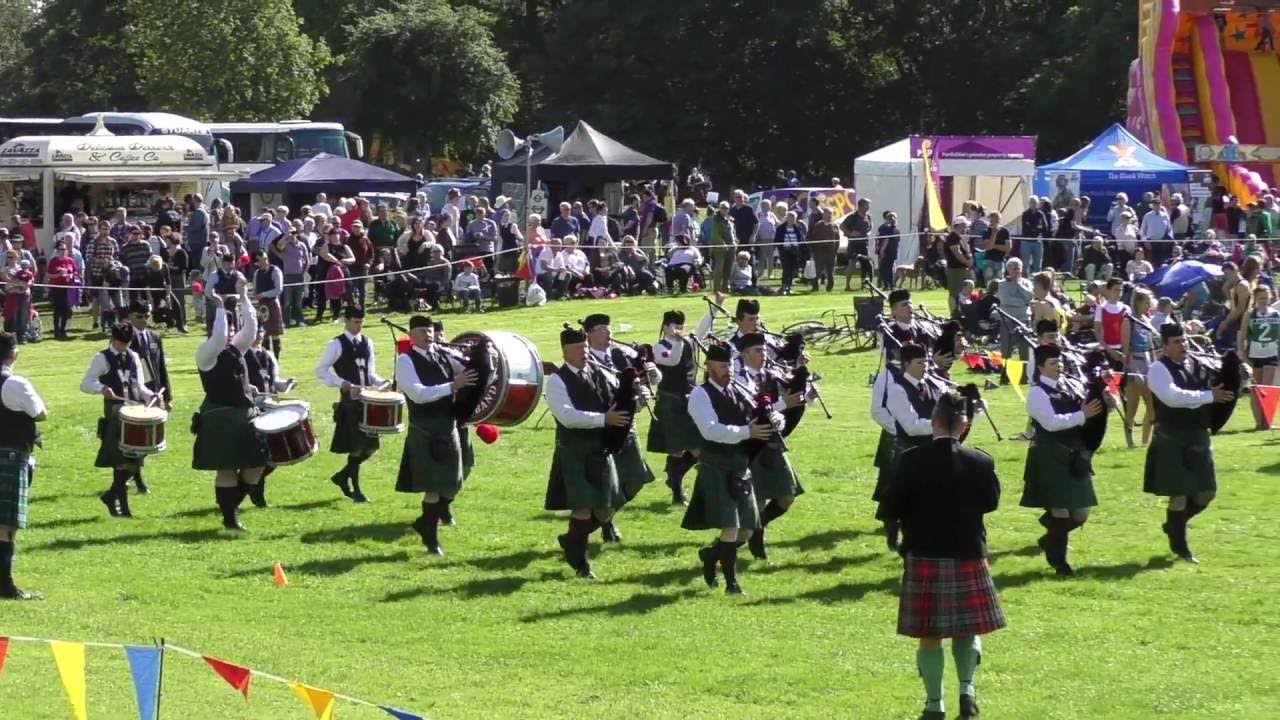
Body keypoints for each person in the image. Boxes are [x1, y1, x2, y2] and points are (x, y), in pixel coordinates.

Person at [880, 390, 1004, 720]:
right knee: (967, 630)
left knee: (930, 636)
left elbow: (891, 506)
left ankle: (935, 706)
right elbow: (991, 503)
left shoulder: (909, 460)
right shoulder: (981, 461)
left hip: (924, 554)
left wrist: (894, 532)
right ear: (964, 425)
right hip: (968, 551)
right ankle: (967, 692)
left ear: (933, 422)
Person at [681, 340, 773, 596]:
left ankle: (711, 555)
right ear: (709, 366)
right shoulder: (700, 395)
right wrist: (748, 431)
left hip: (741, 465)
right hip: (717, 465)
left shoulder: (740, 388)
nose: (728, 370)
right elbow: (711, 430)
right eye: (722, 365)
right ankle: (732, 584)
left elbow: (757, 411)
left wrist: (773, 416)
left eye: (730, 365)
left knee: (747, 528)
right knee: (730, 528)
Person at [1145, 322, 1236, 563]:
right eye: (1176, 341)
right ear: (1164, 346)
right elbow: (1172, 397)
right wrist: (1209, 396)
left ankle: (1173, 526)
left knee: (1206, 493)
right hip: (1172, 435)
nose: (1183, 344)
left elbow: (1218, 382)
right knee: (1179, 495)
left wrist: (1237, 371)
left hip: (1197, 434)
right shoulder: (1157, 369)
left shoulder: (1196, 362)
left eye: (1184, 340)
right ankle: (1180, 547)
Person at [545, 325, 629, 580]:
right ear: (565, 351)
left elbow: (612, 396)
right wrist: (604, 419)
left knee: (606, 509)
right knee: (582, 508)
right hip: (575, 451)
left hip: (600, 450)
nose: (585, 352)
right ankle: (582, 565)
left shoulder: (596, 371)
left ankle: (572, 539)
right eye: (579, 348)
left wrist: (630, 389)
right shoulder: (558, 381)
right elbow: (568, 417)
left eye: (585, 347)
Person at [1022, 344, 1113, 576]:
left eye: (1060, 362)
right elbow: (1051, 422)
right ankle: (1060, 564)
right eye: (1053, 363)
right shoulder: (1037, 393)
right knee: (1061, 512)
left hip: (1075, 454)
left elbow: (1093, 408)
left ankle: (1051, 538)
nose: (1059, 366)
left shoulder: (1072, 384)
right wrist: (1082, 415)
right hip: (1050, 454)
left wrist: (1106, 403)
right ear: (1040, 367)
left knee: (1080, 514)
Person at [395, 315, 476, 556]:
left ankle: (424, 523)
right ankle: (431, 538)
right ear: (411, 335)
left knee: (453, 484)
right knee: (433, 488)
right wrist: (453, 385)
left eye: (430, 331)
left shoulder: (443, 354)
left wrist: (478, 357)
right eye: (421, 331)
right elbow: (419, 394)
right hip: (425, 428)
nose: (427, 335)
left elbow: (470, 371)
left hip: (448, 426)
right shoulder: (405, 361)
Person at [192, 284, 264, 531]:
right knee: (227, 470)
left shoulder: (235, 350)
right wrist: (220, 307)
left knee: (257, 465)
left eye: (233, 328)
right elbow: (220, 336)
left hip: (244, 416)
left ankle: (230, 509)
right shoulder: (205, 355)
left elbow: (251, 328)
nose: (232, 333)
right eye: (226, 327)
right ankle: (230, 518)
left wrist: (244, 298)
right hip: (219, 417)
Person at [582, 314, 658, 541]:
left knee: (636, 480)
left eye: (609, 329)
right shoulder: (586, 364)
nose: (609, 333)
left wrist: (651, 379)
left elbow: (645, 380)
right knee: (607, 485)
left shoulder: (619, 355)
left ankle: (601, 520)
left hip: (628, 429)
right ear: (589, 335)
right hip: (604, 430)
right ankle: (604, 525)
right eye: (602, 329)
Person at [734, 333, 803, 560]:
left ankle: (755, 529)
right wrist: (783, 404)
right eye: (758, 351)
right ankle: (736, 547)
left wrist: (805, 396)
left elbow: (782, 409)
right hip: (753, 444)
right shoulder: (740, 381)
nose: (764, 355)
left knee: (786, 496)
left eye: (764, 350)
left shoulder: (771, 375)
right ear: (744, 355)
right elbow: (752, 411)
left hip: (773, 443)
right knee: (760, 499)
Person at [80, 323, 156, 517]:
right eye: (121, 343)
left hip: (135, 411)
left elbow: (139, 386)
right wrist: (102, 389)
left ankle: (110, 496)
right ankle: (124, 508)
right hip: (115, 414)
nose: (124, 347)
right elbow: (86, 384)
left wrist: (151, 396)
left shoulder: (134, 357)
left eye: (127, 343)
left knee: (136, 461)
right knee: (121, 463)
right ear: (113, 339)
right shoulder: (101, 358)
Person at [316, 306, 386, 502]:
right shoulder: (336, 344)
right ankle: (356, 490)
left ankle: (342, 476)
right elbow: (321, 370)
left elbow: (370, 373)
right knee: (357, 447)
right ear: (346, 321)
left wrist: (382, 382)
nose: (359, 326)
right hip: (350, 402)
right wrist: (342, 384)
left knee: (371, 446)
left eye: (361, 322)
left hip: (368, 400)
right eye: (355, 322)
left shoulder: (367, 342)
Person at [0, 332, 47, 600]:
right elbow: (40, 412)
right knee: (6, 525)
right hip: (9, 455)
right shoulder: (15, 383)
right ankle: (5, 585)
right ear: (14, 354)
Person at [648, 310, 701, 505]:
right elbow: (672, 360)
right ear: (664, 327)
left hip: (690, 400)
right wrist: (678, 341)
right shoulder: (659, 348)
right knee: (677, 450)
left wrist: (714, 310)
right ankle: (678, 495)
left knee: (699, 447)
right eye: (673, 325)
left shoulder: (687, 342)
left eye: (680, 325)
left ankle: (674, 478)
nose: (678, 329)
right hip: (670, 401)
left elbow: (702, 333)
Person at [242, 321, 293, 508]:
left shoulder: (268, 355)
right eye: (255, 331)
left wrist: (285, 385)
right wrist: (248, 389)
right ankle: (256, 493)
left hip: (271, 408)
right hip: (254, 410)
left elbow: (274, 380)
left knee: (275, 456)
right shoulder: (241, 356)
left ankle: (250, 486)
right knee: (262, 456)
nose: (258, 335)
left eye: (261, 331)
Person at [1120, 289, 1157, 447]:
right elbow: (1126, 350)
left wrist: (1155, 367)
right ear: (1138, 302)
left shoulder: (1146, 320)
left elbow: (1151, 347)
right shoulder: (1129, 321)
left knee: (1152, 407)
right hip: (1135, 364)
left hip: (1148, 363)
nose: (1149, 305)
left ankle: (1145, 441)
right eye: (1146, 302)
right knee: (1132, 407)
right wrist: (1133, 371)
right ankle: (1130, 442)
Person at [1239, 285, 1280, 429]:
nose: (1263, 300)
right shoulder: (1250, 314)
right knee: (1257, 389)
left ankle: (1266, 422)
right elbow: (1243, 334)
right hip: (1254, 354)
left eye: (1266, 297)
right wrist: (1241, 351)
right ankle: (1259, 423)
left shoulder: (1276, 314)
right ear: (1255, 298)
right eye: (1261, 298)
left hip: (1271, 353)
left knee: (1266, 388)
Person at [250, 250, 285, 359]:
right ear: (257, 262)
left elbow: (279, 289)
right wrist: (254, 295)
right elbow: (255, 289)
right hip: (262, 306)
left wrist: (263, 294)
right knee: (264, 333)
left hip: (272, 303)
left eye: (265, 258)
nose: (265, 261)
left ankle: (276, 359)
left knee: (275, 333)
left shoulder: (275, 271)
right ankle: (267, 359)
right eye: (261, 260)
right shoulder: (257, 273)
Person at [46, 241, 79, 340]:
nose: (63, 251)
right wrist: (58, 275)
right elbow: (48, 275)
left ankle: (63, 330)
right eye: (61, 249)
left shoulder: (70, 261)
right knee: (57, 310)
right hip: (56, 288)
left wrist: (71, 276)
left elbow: (75, 272)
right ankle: (56, 331)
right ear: (57, 251)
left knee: (66, 310)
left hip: (67, 288)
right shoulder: (54, 261)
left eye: (64, 249)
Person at [841, 197, 874, 290]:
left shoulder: (868, 217)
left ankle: (865, 285)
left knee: (867, 264)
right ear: (861, 205)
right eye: (867, 205)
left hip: (864, 244)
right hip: (854, 244)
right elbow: (842, 226)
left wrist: (867, 233)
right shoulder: (853, 216)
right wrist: (850, 233)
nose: (868, 207)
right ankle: (847, 285)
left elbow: (870, 228)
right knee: (852, 263)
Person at [775, 210, 806, 295]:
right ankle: (784, 286)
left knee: (793, 270)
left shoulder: (798, 228)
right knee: (786, 269)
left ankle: (789, 286)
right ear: (787, 218)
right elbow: (777, 240)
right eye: (790, 218)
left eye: (793, 218)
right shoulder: (780, 228)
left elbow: (802, 239)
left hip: (795, 251)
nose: (791, 220)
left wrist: (801, 249)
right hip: (785, 251)